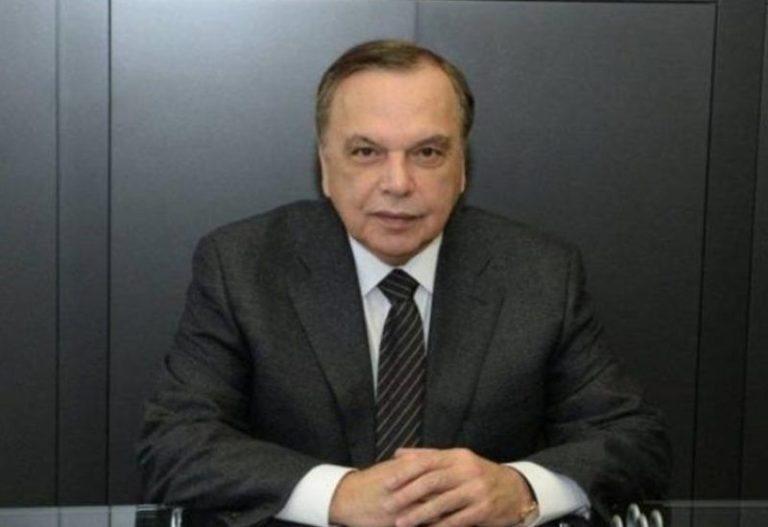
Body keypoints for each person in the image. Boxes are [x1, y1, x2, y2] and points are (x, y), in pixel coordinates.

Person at [138, 40, 671, 527]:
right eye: (366, 152)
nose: (398, 183)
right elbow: (175, 443)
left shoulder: (539, 273)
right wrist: (339, 494)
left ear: (462, 168)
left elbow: (632, 440)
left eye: (428, 153)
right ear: (325, 165)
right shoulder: (242, 266)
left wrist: (520, 489)